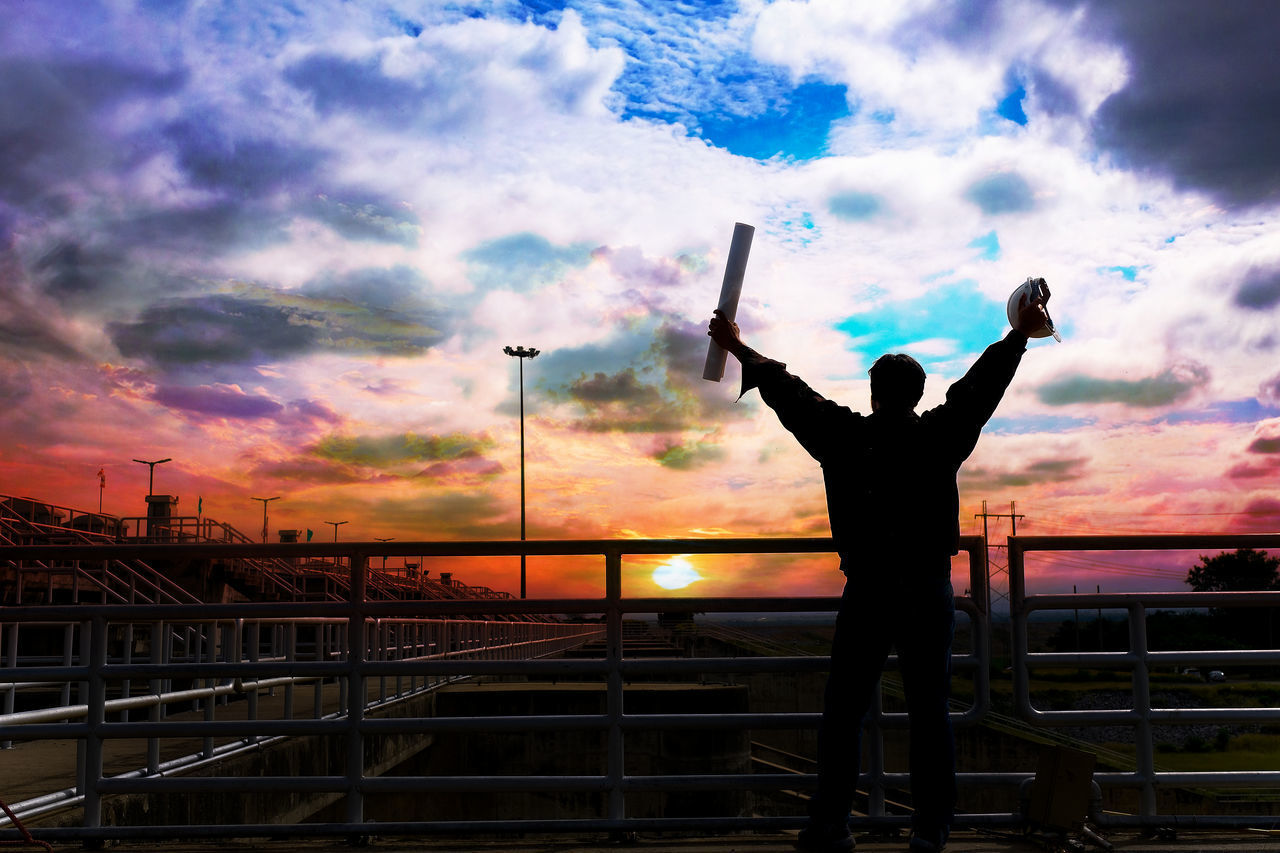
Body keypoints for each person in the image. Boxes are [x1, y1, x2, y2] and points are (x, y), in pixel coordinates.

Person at [708, 295, 1050, 853]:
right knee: (929, 711)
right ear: (917, 395)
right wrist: (1017, 336)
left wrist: (736, 344)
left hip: (867, 589)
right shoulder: (939, 436)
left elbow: (786, 390)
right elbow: (978, 390)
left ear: (873, 392)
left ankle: (830, 824)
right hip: (927, 589)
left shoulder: (842, 438)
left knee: (844, 711)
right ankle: (930, 828)